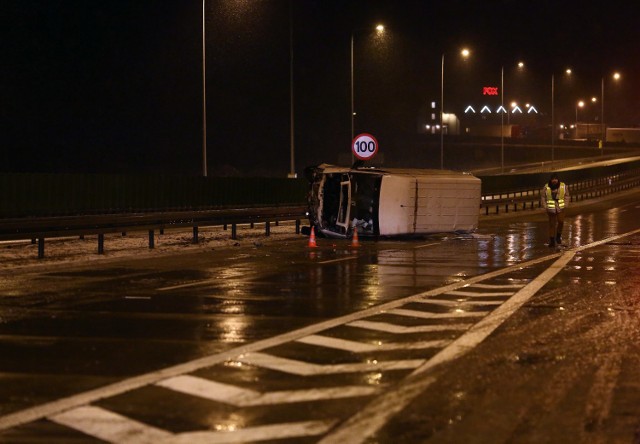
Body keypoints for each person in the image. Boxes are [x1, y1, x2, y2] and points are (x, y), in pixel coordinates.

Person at [541, 173, 569, 247]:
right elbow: (543, 197)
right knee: (552, 224)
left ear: (558, 179)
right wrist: (545, 206)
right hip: (551, 209)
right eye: (553, 179)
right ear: (551, 180)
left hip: (561, 208)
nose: (554, 180)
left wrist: (566, 204)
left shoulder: (563, 186)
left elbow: (567, 196)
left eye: (555, 179)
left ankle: (558, 236)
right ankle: (552, 240)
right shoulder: (546, 187)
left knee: (561, 221)